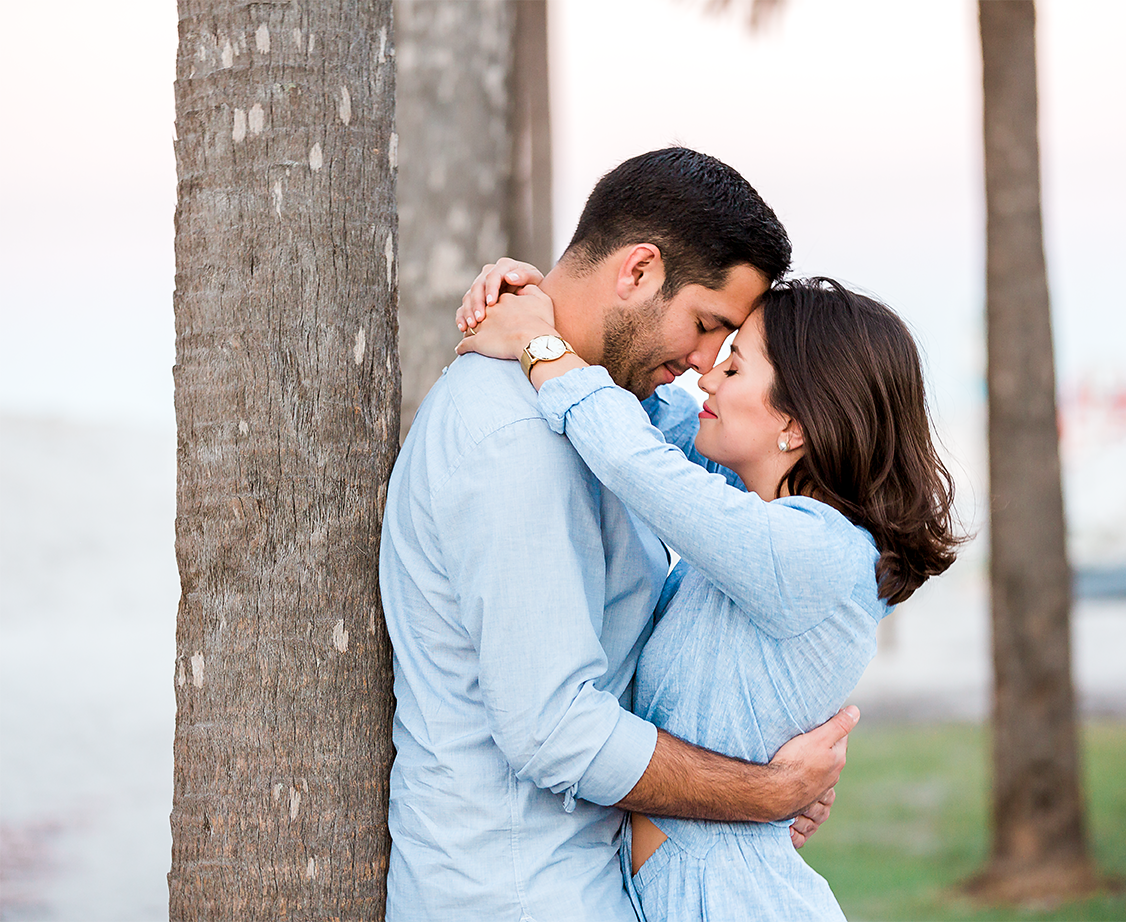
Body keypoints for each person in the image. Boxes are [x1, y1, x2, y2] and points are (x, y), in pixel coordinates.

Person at [378, 148, 855, 922]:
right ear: (637, 272)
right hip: (514, 895)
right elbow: (555, 730)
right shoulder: (514, 438)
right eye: (707, 326)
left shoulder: (602, 413)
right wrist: (763, 793)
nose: (706, 366)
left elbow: (758, 491)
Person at [455, 273, 962, 920]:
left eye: (735, 365)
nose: (706, 379)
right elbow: (641, 411)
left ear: (797, 422)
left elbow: (633, 461)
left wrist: (538, 342)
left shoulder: (813, 553)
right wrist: (541, 298)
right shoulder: (760, 523)